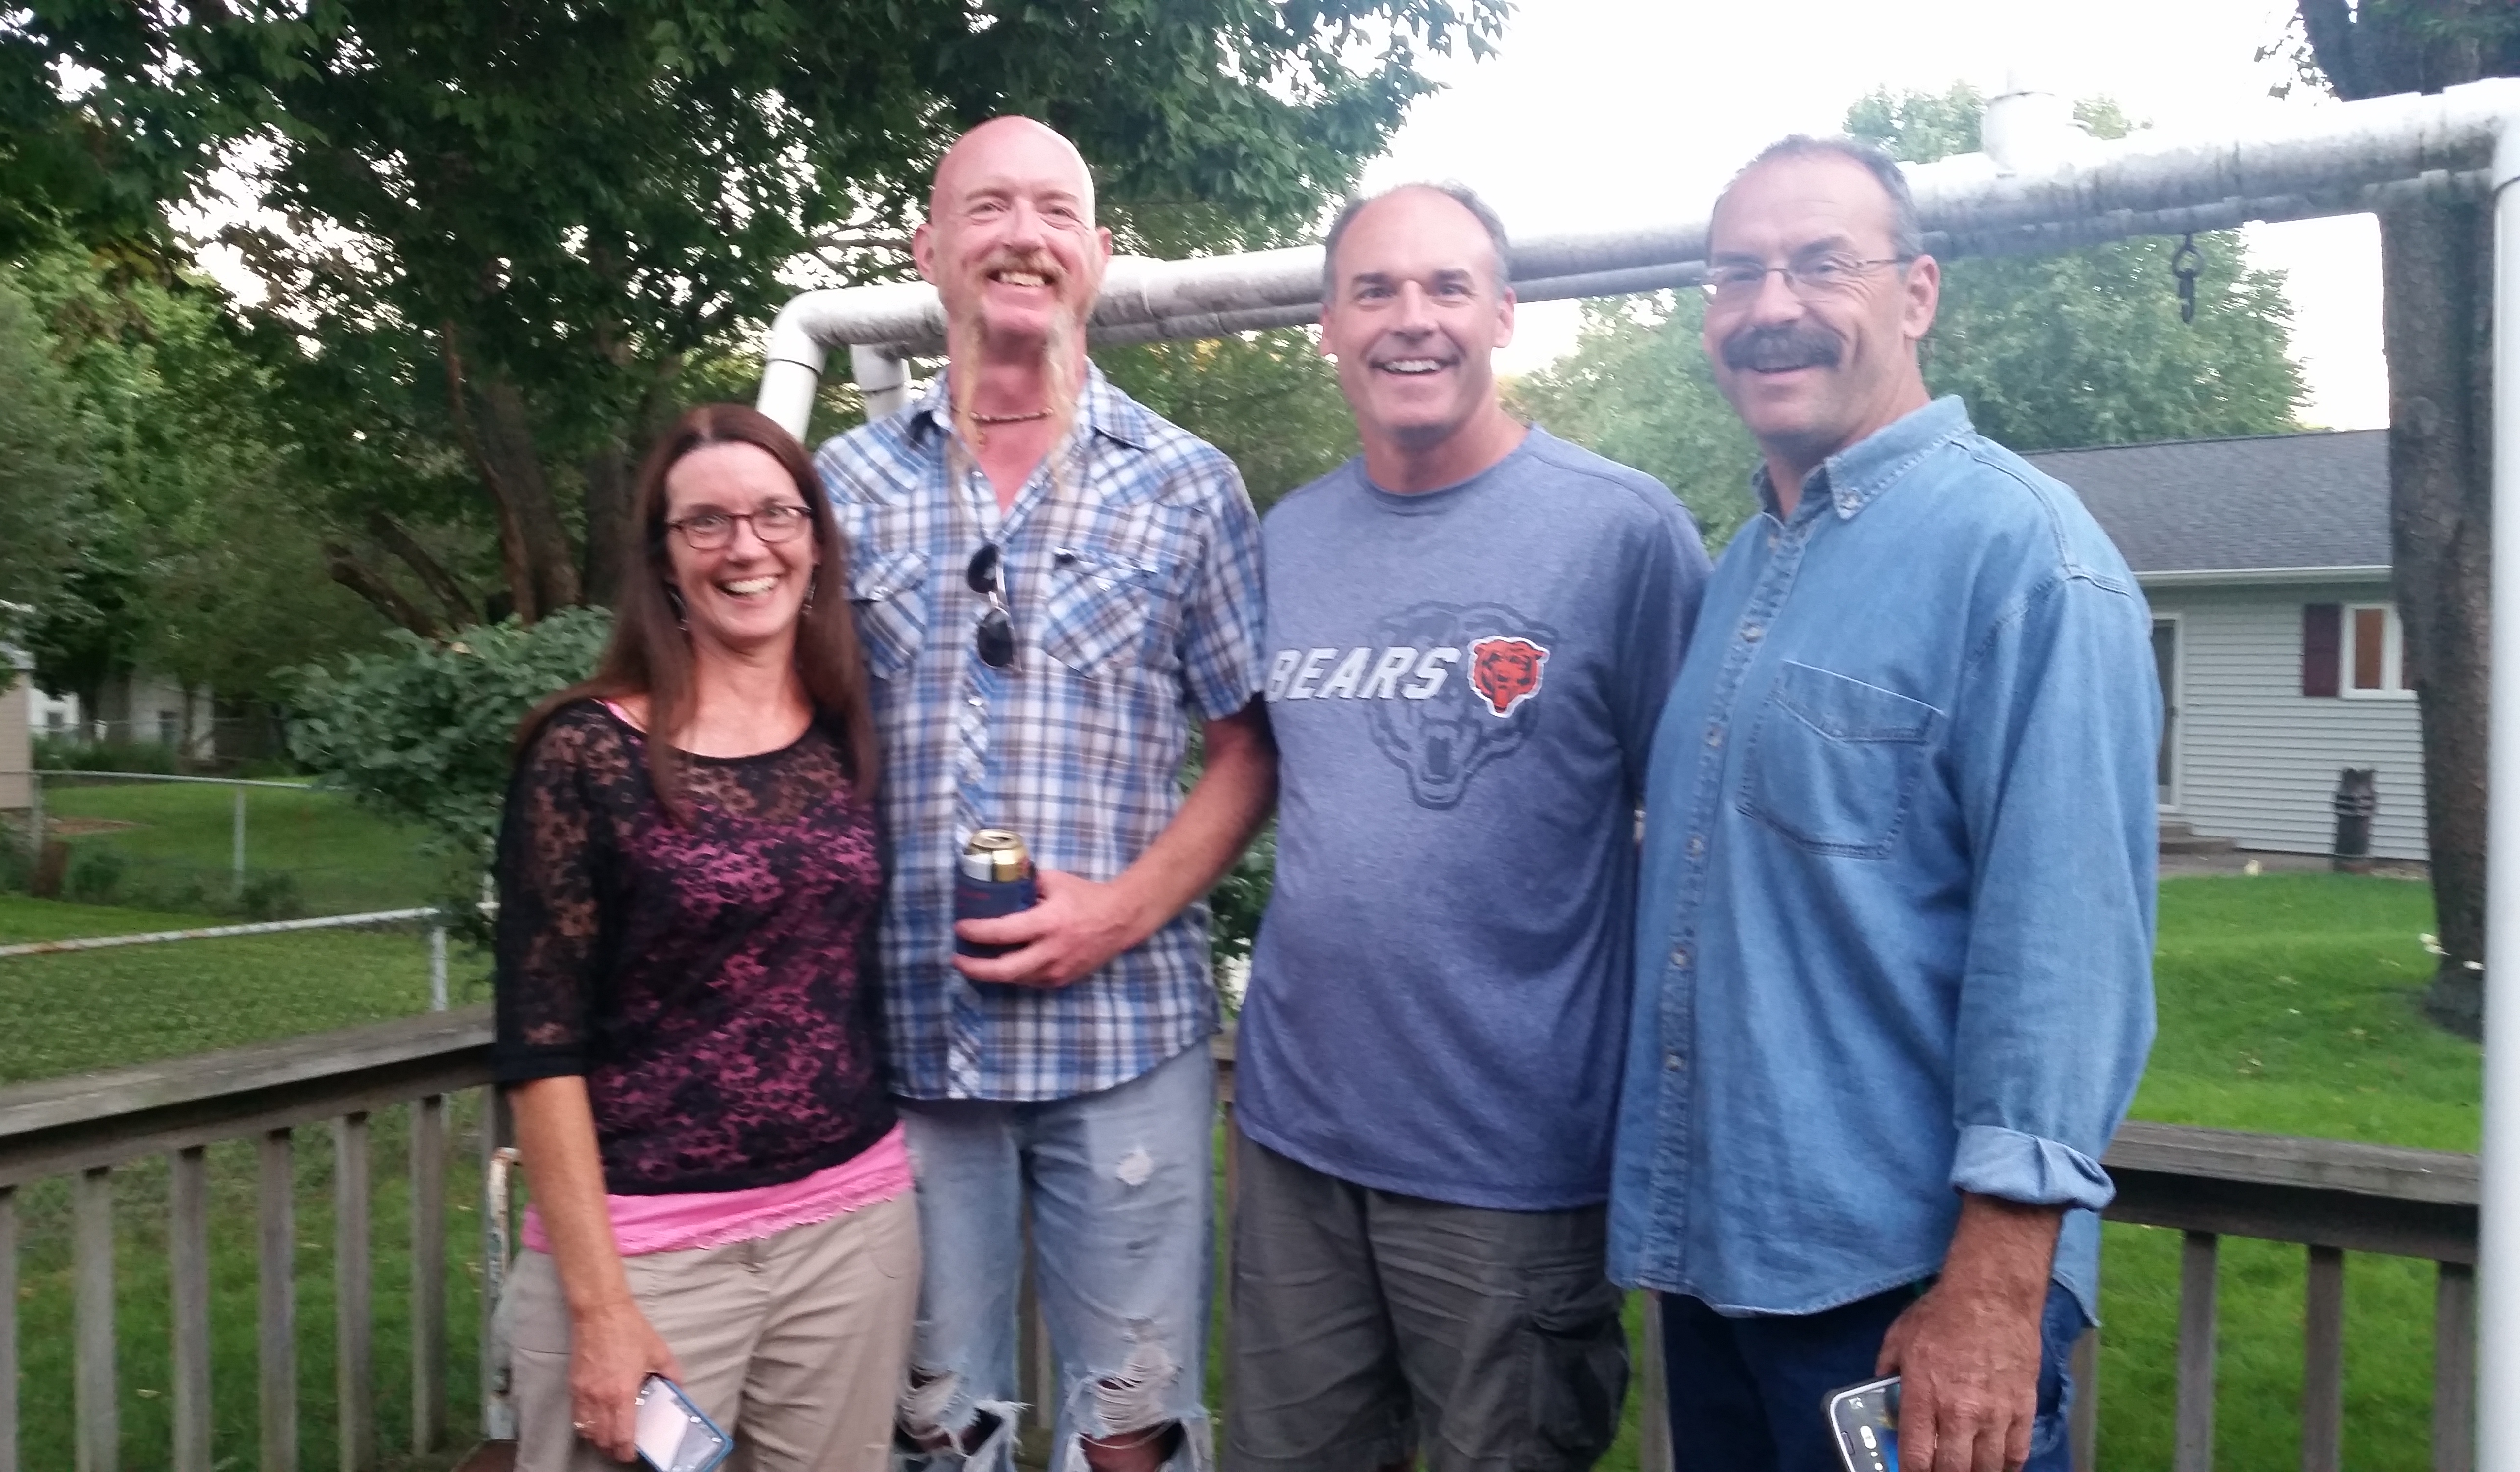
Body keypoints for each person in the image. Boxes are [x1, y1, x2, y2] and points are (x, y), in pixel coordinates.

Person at [1606, 136, 2160, 1472]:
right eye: (1736, 274)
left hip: (1904, 1297)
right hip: (1723, 1262)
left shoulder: (2027, 561)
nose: (1771, 306)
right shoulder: (1747, 564)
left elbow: (2067, 960)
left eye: (1820, 265)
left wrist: (1996, 1289)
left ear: (1916, 293)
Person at [1222, 183, 1709, 1472]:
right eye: (1374, 290)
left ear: (1503, 313)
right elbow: (1254, 774)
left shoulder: (1621, 533)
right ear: (1329, 327)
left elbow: (1705, 828)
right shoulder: (1288, 540)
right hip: (1296, 1141)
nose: (1411, 319)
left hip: (1511, 1166)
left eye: (1447, 286)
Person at [812, 116, 1273, 1472]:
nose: (1024, 235)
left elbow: (1249, 750)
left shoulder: (1188, 485)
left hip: (1123, 1037)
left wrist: (1118, 912)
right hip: (906, 1036)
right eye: (989, 207)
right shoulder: (837, 487)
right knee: (931, 1426)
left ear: (1099, 252)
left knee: (1134, 1426)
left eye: (1056, 211)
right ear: (929, 250)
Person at [493, 403, 919, 1471]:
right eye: (707, 523)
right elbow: (540, 1048)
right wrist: (600, 1308)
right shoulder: (585, 755)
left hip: (850, 1234)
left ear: (814, 542)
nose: (746, 547)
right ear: (664, 559)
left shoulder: (849, 737)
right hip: (646, 1259)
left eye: (776, 514)